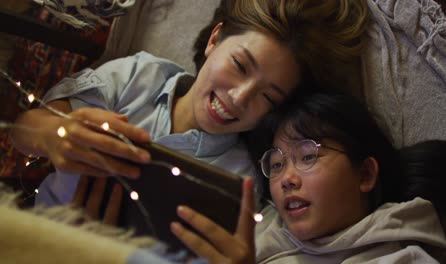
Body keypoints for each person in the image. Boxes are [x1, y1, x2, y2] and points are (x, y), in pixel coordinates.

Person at [9, 0, 369, 207]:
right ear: (215, 39)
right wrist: (57, 134)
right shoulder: (140, 76)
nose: (239, 98)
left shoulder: (240, 180)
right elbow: (24, 129)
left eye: (267, 96)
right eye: (240, 66)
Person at [171, 92, 446, 263]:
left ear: (364, 174)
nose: (286, 179)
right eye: (277, 164)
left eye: (308, 156)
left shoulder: (400, 259)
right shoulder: (262, 226)